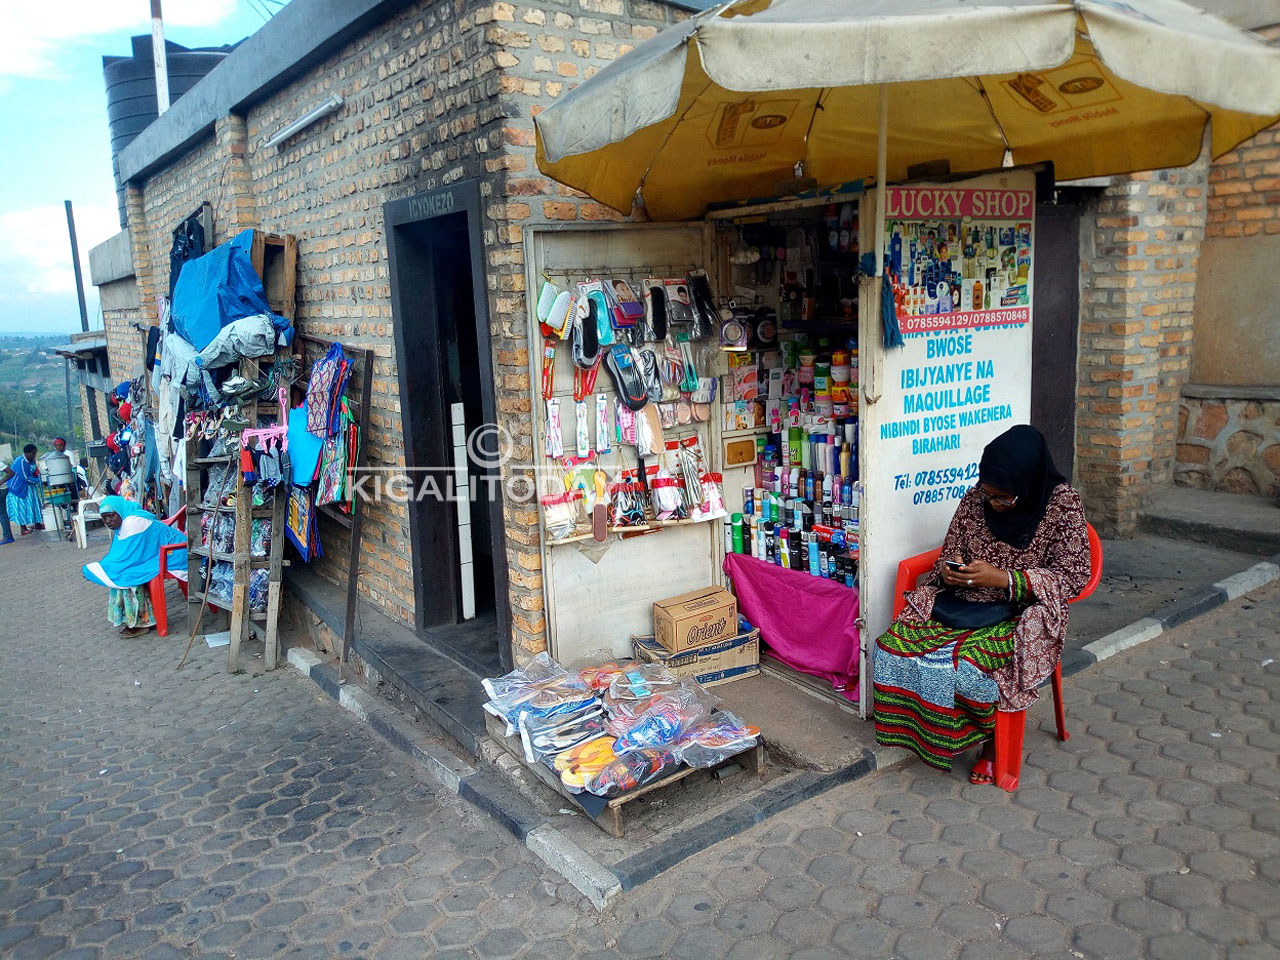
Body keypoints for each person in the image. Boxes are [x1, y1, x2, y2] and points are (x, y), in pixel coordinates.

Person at [873, 425, 1090, 785]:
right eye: (989, 494)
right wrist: (952, 573)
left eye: (1004, 498)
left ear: (1028, 483)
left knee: (969, 668)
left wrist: (1003, 579)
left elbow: (1073, 576)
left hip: (1021, 613)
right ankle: (931, 732)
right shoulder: (978, 496)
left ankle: (991, 742)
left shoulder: (1062, 503)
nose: (993, 503)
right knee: (891, 648)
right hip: (962, 603)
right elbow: (951, 551)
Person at [82, 497, 187, 638]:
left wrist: (95, 570)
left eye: (111, 516)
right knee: (124, 574)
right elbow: (120, 555)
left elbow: (127, 559)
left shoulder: (133, 523)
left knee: (127, 575)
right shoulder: (124, 523)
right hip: (159, 553)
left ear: (119, 512)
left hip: (175, 554)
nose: (108, 521)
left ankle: (142, 622)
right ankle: (139, 619)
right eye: (104, 518)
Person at [1, 444, 45, 535]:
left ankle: (37, 524)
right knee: (22, 508)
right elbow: (25, 477)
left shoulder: (31, 461)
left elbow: (34, 472)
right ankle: (23, 528)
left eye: (34, 454)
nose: (34, 456)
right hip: (19, 487)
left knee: (34, 504)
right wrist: (40, 481)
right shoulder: (21, 461)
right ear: (26, 453)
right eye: (32, 454)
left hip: (30, 487)